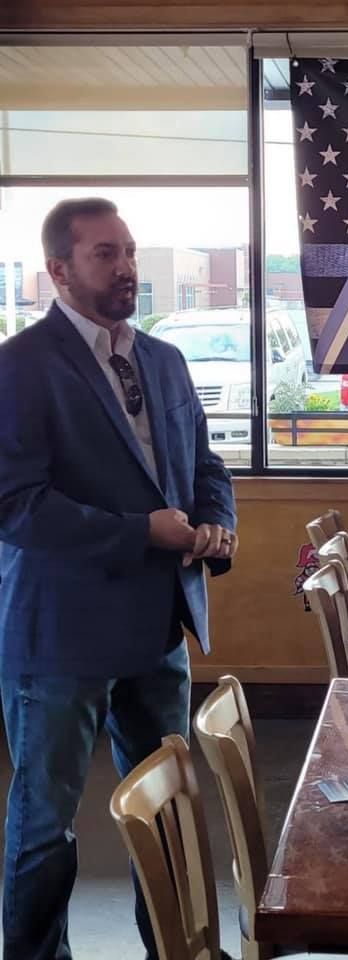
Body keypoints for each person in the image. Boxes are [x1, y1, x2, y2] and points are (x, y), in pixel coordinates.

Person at [0, 197, 238, 960]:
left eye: (129, 251)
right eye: (105, 254)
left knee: (169, 809)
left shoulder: (164, 359)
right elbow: (16, 505)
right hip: (60, 635)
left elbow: (205, 464)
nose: (126, 267)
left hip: (158, 626)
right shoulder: (21, 366)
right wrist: (139, 534)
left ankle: (173, 949)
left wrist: (216, 522)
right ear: (59, 270)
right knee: (46, 824)